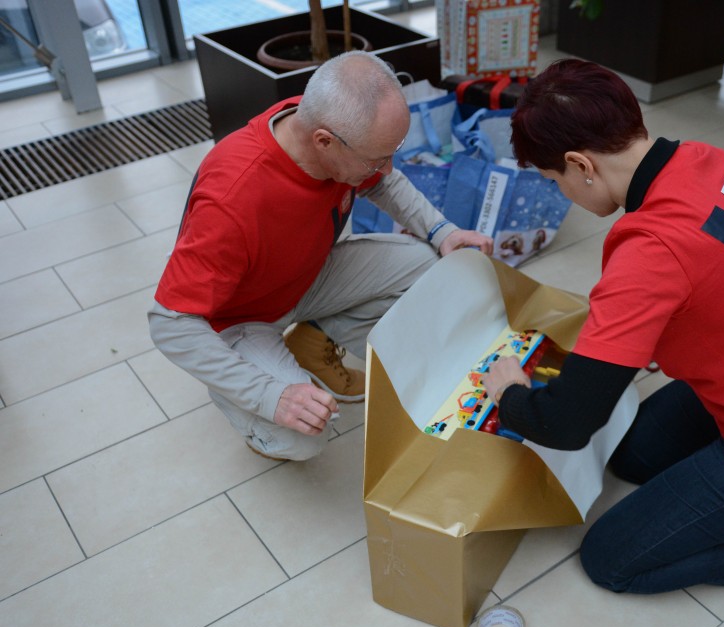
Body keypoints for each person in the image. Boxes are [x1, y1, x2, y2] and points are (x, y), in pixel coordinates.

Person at [482, 59, 724, 606]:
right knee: (630, 454)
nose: (563, 194)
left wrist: (510, 395)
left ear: (580, 164)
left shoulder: (650, 252)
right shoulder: (715, 162)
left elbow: (567, 424)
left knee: (610, 560)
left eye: (555, 181)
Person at [150, 51, 492, 462]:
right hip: (239, 319)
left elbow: (382, 182)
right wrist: (270, 396)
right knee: (303, 438)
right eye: (376, 159)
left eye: (392, 152)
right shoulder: (231, 201)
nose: (386, 168)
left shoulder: (322, 121)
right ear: (324, 141)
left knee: (429, 263)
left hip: (306, 277)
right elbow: (169, 323)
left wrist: (443, 231)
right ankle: (245, 395)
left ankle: (311, 339)